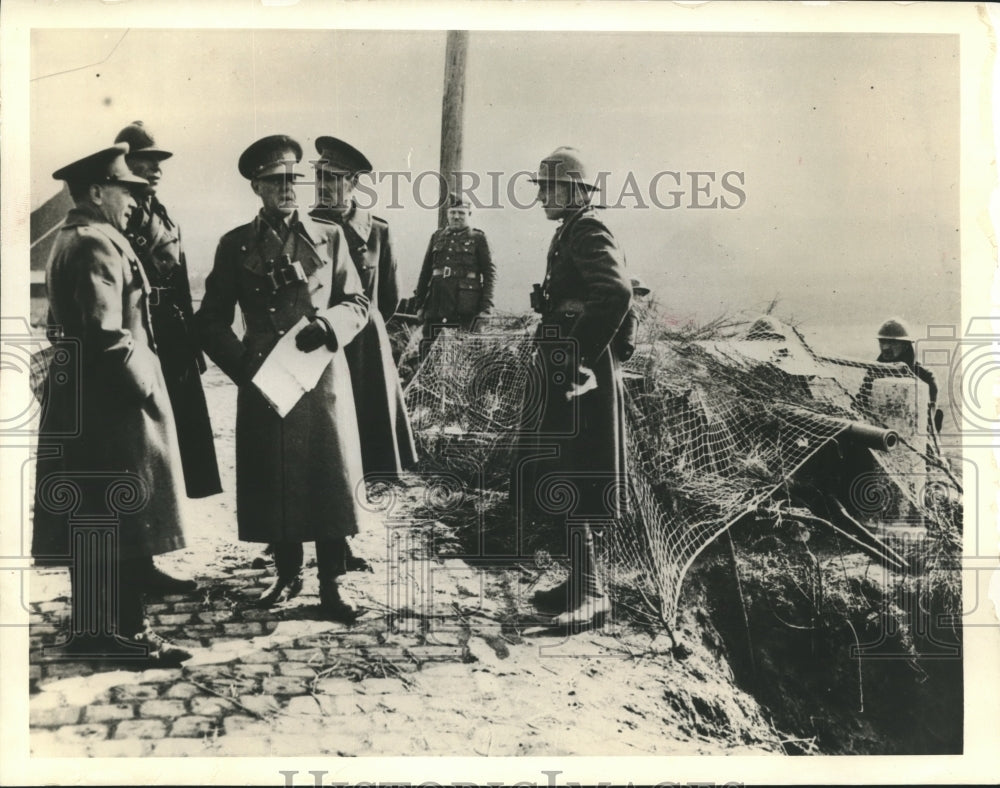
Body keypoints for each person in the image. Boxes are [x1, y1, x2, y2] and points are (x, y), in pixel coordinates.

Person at [195, 135, 370, 622]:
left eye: (294, 179)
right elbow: (209, 320)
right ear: (257, 187)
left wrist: (329, 325)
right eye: (276, 181)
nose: (288, 188)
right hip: (266, 380)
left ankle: (332, 584)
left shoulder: (329, 236)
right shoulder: (235, 244)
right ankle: (287, 573)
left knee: (328, 478)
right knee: (276, 479)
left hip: (319, 376)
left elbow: (358, 302)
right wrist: (245, 367)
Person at [33, 143, 191, 665]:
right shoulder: (94, 243)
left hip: (89, 401)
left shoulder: (79, 237)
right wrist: (147, 383)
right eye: (126, 191)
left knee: (95, 519)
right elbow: (106, 335)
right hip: (111, 407)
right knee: (120, 519)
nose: (134, 202)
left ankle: (91, 631)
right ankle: (127, 634)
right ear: (98, 191)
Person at [512, 147, 632, 630]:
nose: (541, 196)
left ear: (574, 191)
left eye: (548, 188)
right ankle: (579, 581)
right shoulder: (571, 229)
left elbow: (617, 291)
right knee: (562, 465)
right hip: (567, 360)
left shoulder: (588, 229)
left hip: (580, 370)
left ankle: (592, 593)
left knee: (576, 470)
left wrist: (581, 358)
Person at [114, 120, 221, 595]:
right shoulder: (119, 213)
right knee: (139, 450)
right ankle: (136, 563)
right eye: (145, 162)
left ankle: (148, 559)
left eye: (159, 162)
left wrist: (192, 347)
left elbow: (178, 283)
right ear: (125, 164)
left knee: (166, 451)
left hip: (172, 341)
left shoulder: (163, 214)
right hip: (139, 340)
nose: (155, 170)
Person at [310, 136, 417, 480]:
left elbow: (390, 296)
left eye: (333, 178)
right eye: (319, 177)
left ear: (353, 183)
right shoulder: (307, 227)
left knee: (367, 421)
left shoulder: (378, 231)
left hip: (364, 343)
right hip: (320, 340)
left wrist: (366, 324)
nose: (323, 185)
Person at [413, 193, 496, 358]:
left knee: (461, 355)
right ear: (447, 214)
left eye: (461, 213)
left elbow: (489, 275)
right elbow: (425, 273)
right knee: (428, 352)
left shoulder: (478, 238)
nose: (456, 217)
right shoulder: (437, 237)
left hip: (464, 308)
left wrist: (485, 309)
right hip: (436, 306)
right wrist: (419, 305)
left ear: (469, 214)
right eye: (452, 212)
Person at [857, 317, 942, 434]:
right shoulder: (875, 371)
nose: (885, 347)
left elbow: (931, 418)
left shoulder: (925, 376)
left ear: (905, 345)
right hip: (881, 434)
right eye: (882, 342)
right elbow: (860, 403)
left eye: (892, 343)